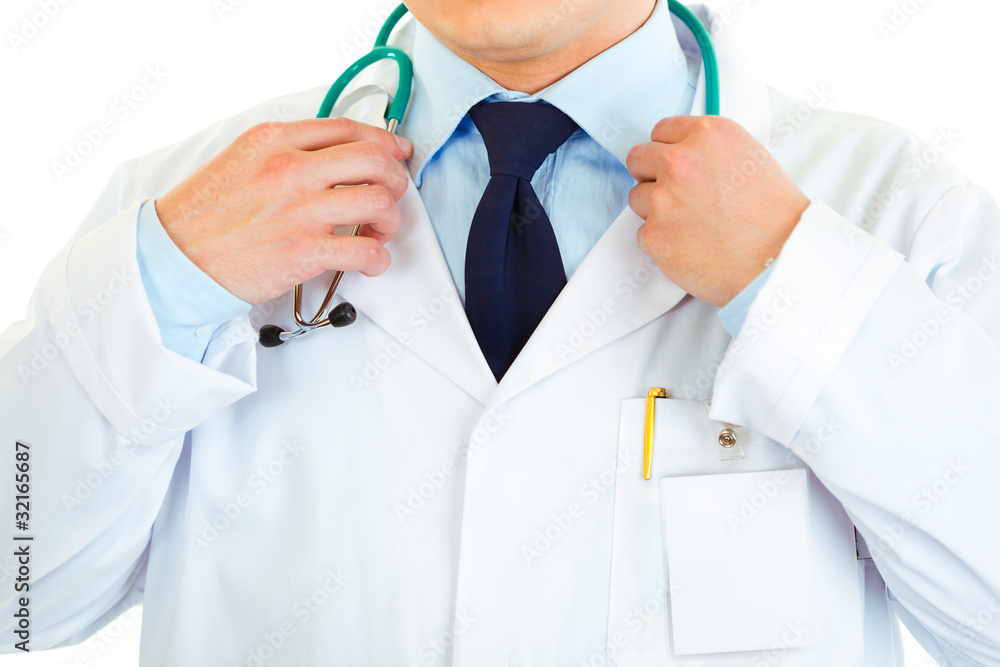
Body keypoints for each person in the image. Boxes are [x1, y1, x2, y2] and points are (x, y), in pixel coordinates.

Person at [1, 0, 998, 665]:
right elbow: (22, 594)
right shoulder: (185, 210)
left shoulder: (891, 209)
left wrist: (799, 287)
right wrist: (167, 284)